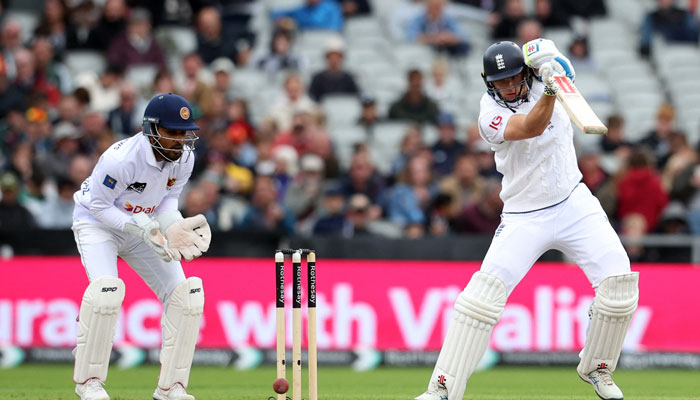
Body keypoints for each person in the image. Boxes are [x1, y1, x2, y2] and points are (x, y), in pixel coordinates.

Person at [414, 39, 638, 400]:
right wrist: (551, 87)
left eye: (513, 78)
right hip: (524, 214)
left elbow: (561, 65)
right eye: (499, 82)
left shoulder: (540, 71)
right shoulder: (489, 114)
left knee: (620, 285)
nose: (507, 87)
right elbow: (531, 126)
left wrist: (553, 64)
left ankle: (597, 368)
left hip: (573, 202)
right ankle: (442, 389)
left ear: (525, 72)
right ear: (488, 82)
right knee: (481, 299)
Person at [71, 93, 211, 400]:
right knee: (106, 293)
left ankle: (171, 387)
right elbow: (98, 206)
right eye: (172, 132)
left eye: (184, 133)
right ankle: (89, 383)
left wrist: (172, 224)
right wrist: (141, 226)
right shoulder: (120, 159)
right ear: (151, 128)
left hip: (144, 227)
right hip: (98, 226)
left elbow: (169, 198)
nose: (180, 141)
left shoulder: (184, 158)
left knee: (186, 298)